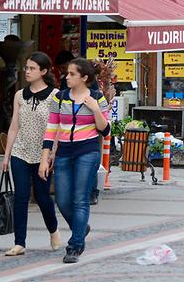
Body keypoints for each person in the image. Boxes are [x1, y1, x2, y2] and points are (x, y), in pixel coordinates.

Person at [40, 58, 110, 264]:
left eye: (71, 74)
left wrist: (96, 109)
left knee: (80, 199)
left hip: (87, 152)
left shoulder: (97, 97)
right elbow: (51, 129)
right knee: (61, 199)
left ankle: (75, 245)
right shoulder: (60, 98)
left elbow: (105, 130)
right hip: (64, 152)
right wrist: (45, 158)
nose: (66, 77)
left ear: (84, 78)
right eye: (67, 73)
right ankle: (81, 228)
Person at [1, 52, 61, 257]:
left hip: (43, 154)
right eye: (26, 67)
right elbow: (14, 126)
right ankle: (19, 242)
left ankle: (53, 231)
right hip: (20, 151)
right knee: (21, 196)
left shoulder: (55, 96)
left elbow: (57, 128)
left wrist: (52, 153)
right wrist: (7, 155)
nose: (27, 71)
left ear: (43, 71)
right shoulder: (19, 95)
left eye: (32, 68)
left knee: (43, 197)